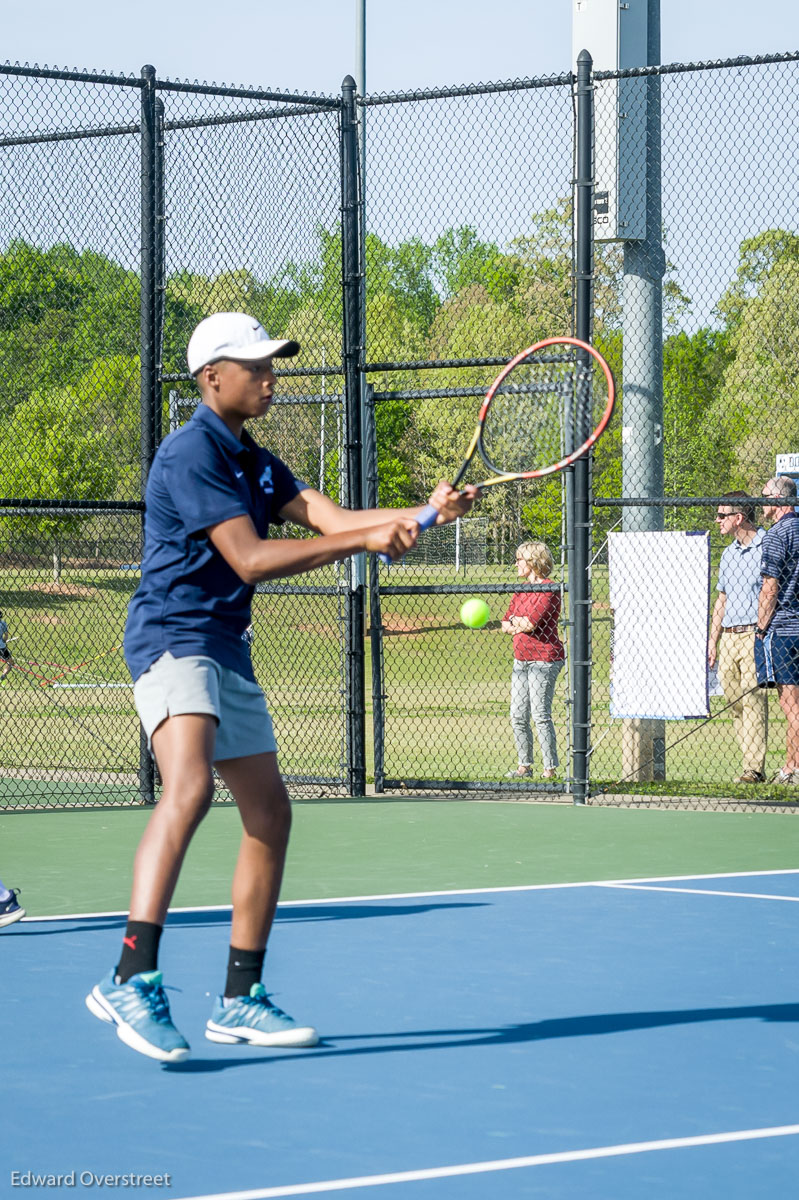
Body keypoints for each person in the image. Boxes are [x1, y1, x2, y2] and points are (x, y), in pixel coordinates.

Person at [85, 312, 479, 1064]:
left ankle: (240, 998)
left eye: (274, 364)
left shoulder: (258, 463)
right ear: (211, 379)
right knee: (191, 787)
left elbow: (331, 517)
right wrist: (361, 540)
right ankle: (129, 976)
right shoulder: (188, 453)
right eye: (256, 366)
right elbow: (252, 559)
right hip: (174, 637)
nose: (272, 376)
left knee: (269, 810)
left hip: (225, 644)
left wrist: (425, 514)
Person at [707, 492, 768, 783]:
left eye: (722, 515)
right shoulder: (728, 553)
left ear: (738, 518)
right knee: (734, 702)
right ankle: (750, 764)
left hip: (755, 635)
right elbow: (722, 599)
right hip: (729, 638)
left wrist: (763, 630)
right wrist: (713, 639)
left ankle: (753, 768)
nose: (717, 520)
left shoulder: (767, 545)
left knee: (753, 699)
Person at [500, 541, 565, 780]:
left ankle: (550, 769)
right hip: (521, 659)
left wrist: (518, 622)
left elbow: (531, 623)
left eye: (520, 559)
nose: (516, 563)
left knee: (540, 714)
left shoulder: (549, 589)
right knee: (517, 714)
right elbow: (505, 623)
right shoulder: (521, 590)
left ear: (533, 562)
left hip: (544, 659)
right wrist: (518, 621)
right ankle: (524, 766)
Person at [755, 475, 799, 785]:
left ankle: (791, 768)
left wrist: (760, 627)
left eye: (765, 496)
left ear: (778, 500)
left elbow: (770, 588)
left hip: (784, 628)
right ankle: (791, 767)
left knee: (790, 703)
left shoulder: (776, 535)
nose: (762, 502)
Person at [0, 609, 14, 680]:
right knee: (10, 662)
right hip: (1, 647)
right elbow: (6, 636)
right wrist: (4, 641)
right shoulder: (3, 623)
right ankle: (3, 675)